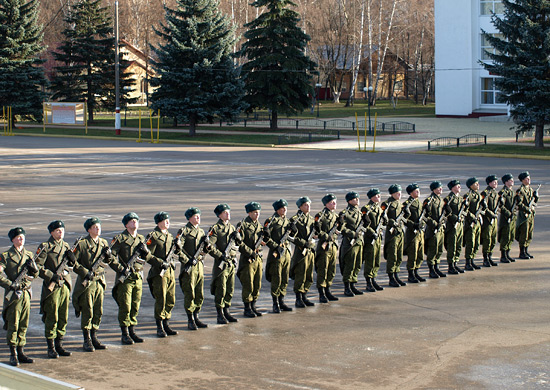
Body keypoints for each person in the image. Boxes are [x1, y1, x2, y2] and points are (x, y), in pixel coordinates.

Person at [72, 217, 119, 352]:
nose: (98, 229)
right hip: (87, 283)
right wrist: (85, 272)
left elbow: (108, 261)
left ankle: (94, 336)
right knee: (88, 310)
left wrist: (109, 255)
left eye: (99, 226)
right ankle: (86, 339)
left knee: (98, 310)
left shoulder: (103, 243)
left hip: (99, 281)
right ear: (89, 229)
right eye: (95, 227)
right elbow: (73, 263)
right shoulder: (82, 244)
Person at [110, 212, 152, 344]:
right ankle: (125, 333)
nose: (135, 222)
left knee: (135, 304)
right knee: (125, 305)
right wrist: (121, 268)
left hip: (138, 276)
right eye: (132, 221)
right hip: (126, 277)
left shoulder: (141, 238)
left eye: (136, 220)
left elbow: (147, 257)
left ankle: (132, 330)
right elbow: (110, 257)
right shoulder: (120, 239)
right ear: (126, 224)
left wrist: (146, 253)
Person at [36, 220, 76, 358]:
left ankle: (59, 344)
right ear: (52, 232)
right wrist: (50, 275)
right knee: (52, 316)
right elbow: (37, 267)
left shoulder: (65, 245)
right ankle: (51, 347)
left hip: (64, 285)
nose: (61, 232)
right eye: (58, 230)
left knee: (63, 317)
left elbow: (70, 267)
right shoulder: (45, 247)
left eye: (62, 230)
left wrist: (72, 260)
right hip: (51, 288)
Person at [0, 228, 39, 366]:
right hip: (14, 295)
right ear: (12, 239)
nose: (21, 239)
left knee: (24, 323)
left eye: (22, 236)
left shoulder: (29, 255)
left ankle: (21, 350)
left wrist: (34, 271)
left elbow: (34, 275)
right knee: (14, 323)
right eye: (18, 237)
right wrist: (10, 284)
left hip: (26, 293)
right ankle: (13, 353)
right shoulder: (5, 256)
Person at [146, 212, 179, 337]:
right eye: (165, 220)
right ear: (159, 222)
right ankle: (159, 326)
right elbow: (147, 255)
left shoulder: (170, 236)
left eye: (168, 220)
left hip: (170, 271)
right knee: (161, 299)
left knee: (171, 299)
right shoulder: (153, 236)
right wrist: (160, 263)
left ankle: (166, 323)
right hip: (159, 273)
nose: (167, 222)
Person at [178, 207, 210, 330]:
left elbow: (204, 250)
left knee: (199, 293)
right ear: (189, 218)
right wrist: (187, 260)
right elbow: (177, 250)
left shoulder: (201, 231)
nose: (198, 218)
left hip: (199, 266)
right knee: (189, 293)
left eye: (199, 215)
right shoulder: (184, 231)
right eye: (195, 216)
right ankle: (190, 319)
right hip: (189, 267)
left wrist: (207, 246)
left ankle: (197, 316)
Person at [209, 204, 240, 323]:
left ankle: (227, 311)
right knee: (220, 289)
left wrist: (238, 239)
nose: (228, 214)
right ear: (219, 215)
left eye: (228, 212)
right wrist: (220, 255)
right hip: (221, 264)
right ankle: (220, 314)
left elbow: (236, 245)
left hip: (231, 262)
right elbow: (209, 247)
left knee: (229, 288)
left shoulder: (232, 228)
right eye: (225, 212)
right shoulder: (216, 229)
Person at [264, 199, 294, 312]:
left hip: (286, 252)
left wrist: (293, 231)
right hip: (276, 254)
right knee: (277, 278)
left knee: (285, 278)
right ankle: (275, 302)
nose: (284, 209)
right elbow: (266, 237)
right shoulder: (272, 221)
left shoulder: (287, 221)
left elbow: (290, 236)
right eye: (282, 208)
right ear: (277, 209)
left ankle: (282, 301)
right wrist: (275, 246)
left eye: (285, 207)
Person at [237, 202, 266, 318]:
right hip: (248, 260)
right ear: (249, 213)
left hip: (258, 259)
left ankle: (253, 305)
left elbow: (262, 242)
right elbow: (239, 243)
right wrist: (250, 252)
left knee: (257, 283)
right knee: (248, 284)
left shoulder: (259, 225)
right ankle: (247, 307)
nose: (257, 214)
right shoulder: (243, 225)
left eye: (258, 212)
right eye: (254, 212)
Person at [289, 196, 317, 308]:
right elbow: (290, 237)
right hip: (300, 252)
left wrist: (312, 243)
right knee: (300, 274)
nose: (308, 206)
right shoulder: (295, 220)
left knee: (309, 275)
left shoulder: (311, 219)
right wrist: (302, 242)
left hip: (309, 251)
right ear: (300, 207)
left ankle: (305, 295)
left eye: (309, 204)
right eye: (305, 205)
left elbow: (314, 236)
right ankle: (298, 298)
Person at [314, 194, 341, 302]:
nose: (334, 204)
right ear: (326, 204)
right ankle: (321, 292)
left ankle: (328, 290)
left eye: (335, 202)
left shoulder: (335, 216)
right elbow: (317, 231)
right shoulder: (321, 216)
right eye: (331, 202)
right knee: (323, 269)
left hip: (333, 245)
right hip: (324, 247)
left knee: (331, 269)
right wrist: (326, 236)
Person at [339, 191, 365, 296]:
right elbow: (342, 228)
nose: (357, 200)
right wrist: (352, 233)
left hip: (359, 241)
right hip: (350, 243)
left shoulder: (359, 211)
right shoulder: (345, 213)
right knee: (349, 264)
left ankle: (353, 284)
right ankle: (347, 287)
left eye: (358, 198)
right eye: (355, 199)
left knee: (357, 264)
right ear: (349, 201)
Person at [362, 188, 387, 291]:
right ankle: (368, 282)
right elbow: (364, 225)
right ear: (371, 197)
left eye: (379, 195)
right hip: (370, 239)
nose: (379, 197)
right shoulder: (366, 208)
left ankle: (373, 279)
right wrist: (372, 233)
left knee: (376, 260)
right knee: (370, 260)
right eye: (377, 195)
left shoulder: (379, 208)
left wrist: (385, 219)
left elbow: (383, 223)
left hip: (378, 238)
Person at [383, 184, 406, 287]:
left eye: (400, 192)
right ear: (392, 193)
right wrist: (391, 222)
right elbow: (383, 218)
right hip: (392, 234)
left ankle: (396, 275)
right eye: (397, 192)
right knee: (392, 256)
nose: (399, 194)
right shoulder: (387, 204)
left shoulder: (399, 203)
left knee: (399, 256)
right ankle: (391, 277)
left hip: (400, 232)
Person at [402, 183, 425, 283]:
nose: (418, 192)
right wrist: (413, 224)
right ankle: (411, 274)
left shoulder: (419, 203)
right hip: (412, 233)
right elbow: (404, 219)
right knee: (413, 254)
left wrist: (422, 224)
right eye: (416, 190)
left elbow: (423, 216)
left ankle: (416, 272)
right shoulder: (408, 203)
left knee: (420, 254)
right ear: (411, 193)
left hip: (420, 232)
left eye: (418, 190)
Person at [424, 181, 447, 278]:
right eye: (438, 188)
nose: (441, 189)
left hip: (440, 228)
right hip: (433, 229)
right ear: (434, 189)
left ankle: (436, 267)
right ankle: (431, 269)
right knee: (432, 250)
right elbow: (425, 216)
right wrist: (433, 223)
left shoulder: (441, 200)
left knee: (439, 249)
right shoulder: (430, 200)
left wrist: (443, 220)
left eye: (441, 187)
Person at [515, 171, 539, 259]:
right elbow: (519, 204)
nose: (528, 180)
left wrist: (536, 197)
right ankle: (522, 252)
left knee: (529, 233)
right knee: (523, 234)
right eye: (526, 179)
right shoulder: (520, 191)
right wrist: (527, 209)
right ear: (522, 180)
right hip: (524, 215)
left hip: (530, 214)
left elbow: (534, 202)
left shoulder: (530, 189)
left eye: (529, 178)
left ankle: (526, 250)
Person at [444, 180, 465, 274]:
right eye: (457, 186)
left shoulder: (460, 198)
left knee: (458, 245)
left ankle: (456, 263)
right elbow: (448, 213)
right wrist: (455, 218)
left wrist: (462, 217)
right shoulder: (448, 199)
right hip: (452, 226)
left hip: (460, 224)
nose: (459, 187)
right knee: (452, 245)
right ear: (452, 188)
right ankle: (451, 265)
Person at [463, 178, 483, 271]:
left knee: (476, 242)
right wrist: (473, 217)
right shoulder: (468, 196)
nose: (478, 185)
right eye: (476, 183)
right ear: (471, 185)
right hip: (470, 223)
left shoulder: (478, 195)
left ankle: (472, 260)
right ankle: (468, 262)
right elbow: (465, 210)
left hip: (477, 221)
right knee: (470, 242)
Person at [480, 175, 499, 267]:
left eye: (496, 181)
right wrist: (491, 214)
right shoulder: (485, 193)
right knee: (487, 239)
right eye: (494, 182)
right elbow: (484, 208)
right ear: (489, 183)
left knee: (493, 239)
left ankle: (490, 256)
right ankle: (485, 258)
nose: (496, 183)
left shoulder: (495, 193)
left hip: (494, 219)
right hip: (488, 220)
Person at [497, 173, 516, 263]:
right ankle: (503, 255)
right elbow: (501, 206)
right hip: (506, 218)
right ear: (505, 182)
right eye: (510, 180)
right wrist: (508, 213)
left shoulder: (512, 192)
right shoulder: (503, 193)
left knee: (511, 236)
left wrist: (514, 212)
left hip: (512, 218)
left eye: (512, 179)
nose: (512, 181)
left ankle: (508, 253)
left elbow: (515, 205)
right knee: (505, 236)